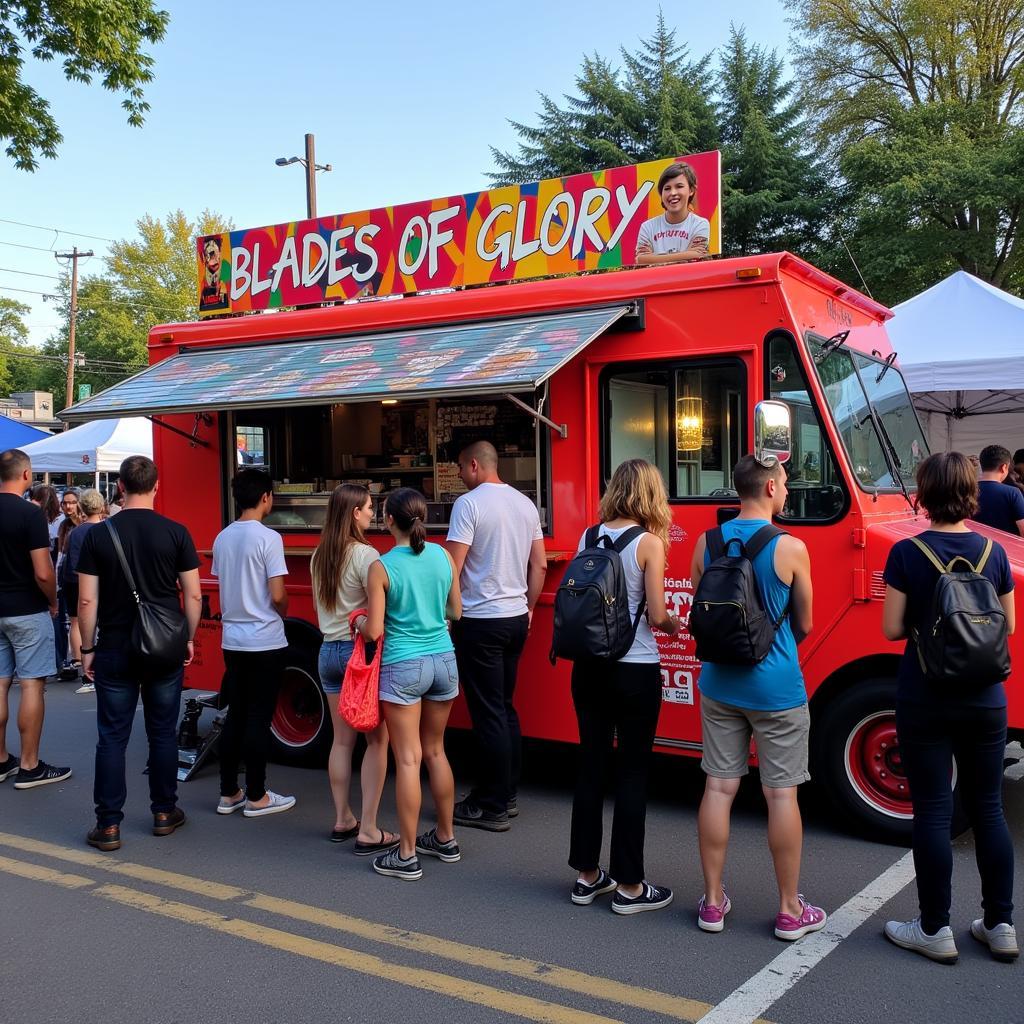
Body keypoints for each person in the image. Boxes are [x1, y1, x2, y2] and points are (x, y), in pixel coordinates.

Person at [882, 452, 1017, 963]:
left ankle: (935, 928)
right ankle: (1000, 924)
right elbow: (1008, 627)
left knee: (934, 810)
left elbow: (891, 629)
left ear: (924, 492)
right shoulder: (993, 552)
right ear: (971, 493)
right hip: (986, 699)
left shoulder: (907, 552)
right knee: (989, 809)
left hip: (925, 695)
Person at [691, 454, 824, 941]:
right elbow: (805, 623)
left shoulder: (707, 543)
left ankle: (711, 903)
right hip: (776, 688)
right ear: (768, 487)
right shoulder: (791, 547)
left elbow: (704, 613)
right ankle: (790, 910)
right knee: (780, 794)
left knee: (719, 789)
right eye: (785, 483)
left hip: (719, 684)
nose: (787, 490)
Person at [568, 459, 681, 914]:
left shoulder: (588, 536)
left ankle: (586, 875)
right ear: (651, 494)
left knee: (591, 765)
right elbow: (655, 614)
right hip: (634, 670)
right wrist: (673, 625)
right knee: (632, 773)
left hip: (588, 668)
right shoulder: (650, 543)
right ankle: (631, 887)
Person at [77, 456, 202, 852]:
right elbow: (194, 594)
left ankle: (108, 824)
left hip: (114, 646)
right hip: (164, 647)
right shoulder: (177, 533)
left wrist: (87, 648)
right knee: (162, 731)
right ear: (157, 486)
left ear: (119, 488)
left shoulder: (97, 536)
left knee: (112, 737)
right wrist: (188, 637)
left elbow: (85, 601)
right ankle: (164, 812)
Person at [357, 488, 462, 881]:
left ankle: (406, 854)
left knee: (407, 759)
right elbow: (456, 611)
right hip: (444, 660)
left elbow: (374, 631)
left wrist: (357, 622)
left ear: (389, 521)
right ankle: (446, 839)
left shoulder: (381, 567)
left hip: (403, 666)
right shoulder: (443, 556)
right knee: (436, 752)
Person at [446, 440, 547, 831]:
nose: (457, 474)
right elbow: (538, 565)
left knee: (487, 713)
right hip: (515, 619)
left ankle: (490, 805)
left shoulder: (468, 505)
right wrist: (530, 608)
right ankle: (507, 793)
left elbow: (453, 567)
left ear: (474, 464)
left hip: (480, 620)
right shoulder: (525, 504)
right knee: (504, 708)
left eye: (458, 466)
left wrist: (451, 614)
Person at [311, 483, 397, 853]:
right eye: (366, 507)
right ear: (353, 514)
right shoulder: (366, 555)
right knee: (377, 740)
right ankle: (371, 827)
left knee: (341, 742)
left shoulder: (319, 555)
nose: (371, 512)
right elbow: (378, 611)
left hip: (327, 652)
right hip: (357, 655)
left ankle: (343, 817)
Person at [211, 470, 296, 819]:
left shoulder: (222, 537)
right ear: (265, 497)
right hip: (265, 639)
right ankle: (258, 795)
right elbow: (277, 595)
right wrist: (284, 608)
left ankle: (229, 792)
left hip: (232, 639)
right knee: (259, 717)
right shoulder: (269, 538)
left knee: (237, 714)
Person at [0, 449, 70, 789]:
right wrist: (53, 601)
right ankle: (30, 765)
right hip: (26, 608)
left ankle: (0, 760)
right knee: (31, 684)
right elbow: (43, 571)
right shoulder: (31, 514)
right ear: (26, 475)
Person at [66, 489, 106, 694]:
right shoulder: (109, 529)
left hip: (78, 583)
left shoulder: (76, 533)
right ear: (101, 507)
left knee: (77, 623)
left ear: (81, 507)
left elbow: (72, 562)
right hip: (106, 583)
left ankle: (83, 666)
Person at [635, 162, 711, 266]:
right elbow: (641, 260)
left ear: (691, 190)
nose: (672, 193)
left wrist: (654, 259)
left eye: (679, 186)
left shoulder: (700, 224)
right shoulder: (647, 227)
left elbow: (697, 254)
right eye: (667, 188)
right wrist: (685, 256)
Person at [974, 444, 1024, 535]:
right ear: (1004, 467)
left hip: (976, 546)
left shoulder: (967, 490)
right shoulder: (1013, 493)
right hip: (1006, 548)